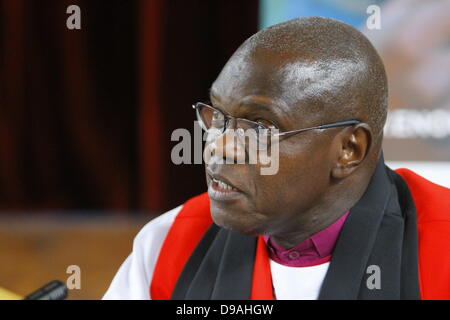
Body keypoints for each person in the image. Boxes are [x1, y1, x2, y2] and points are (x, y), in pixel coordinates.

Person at [103, 17, 450, 300]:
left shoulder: (441, 244)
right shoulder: (170, 242)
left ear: (349, 150)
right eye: (217, 117)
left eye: (260, 127)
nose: (219, 146)